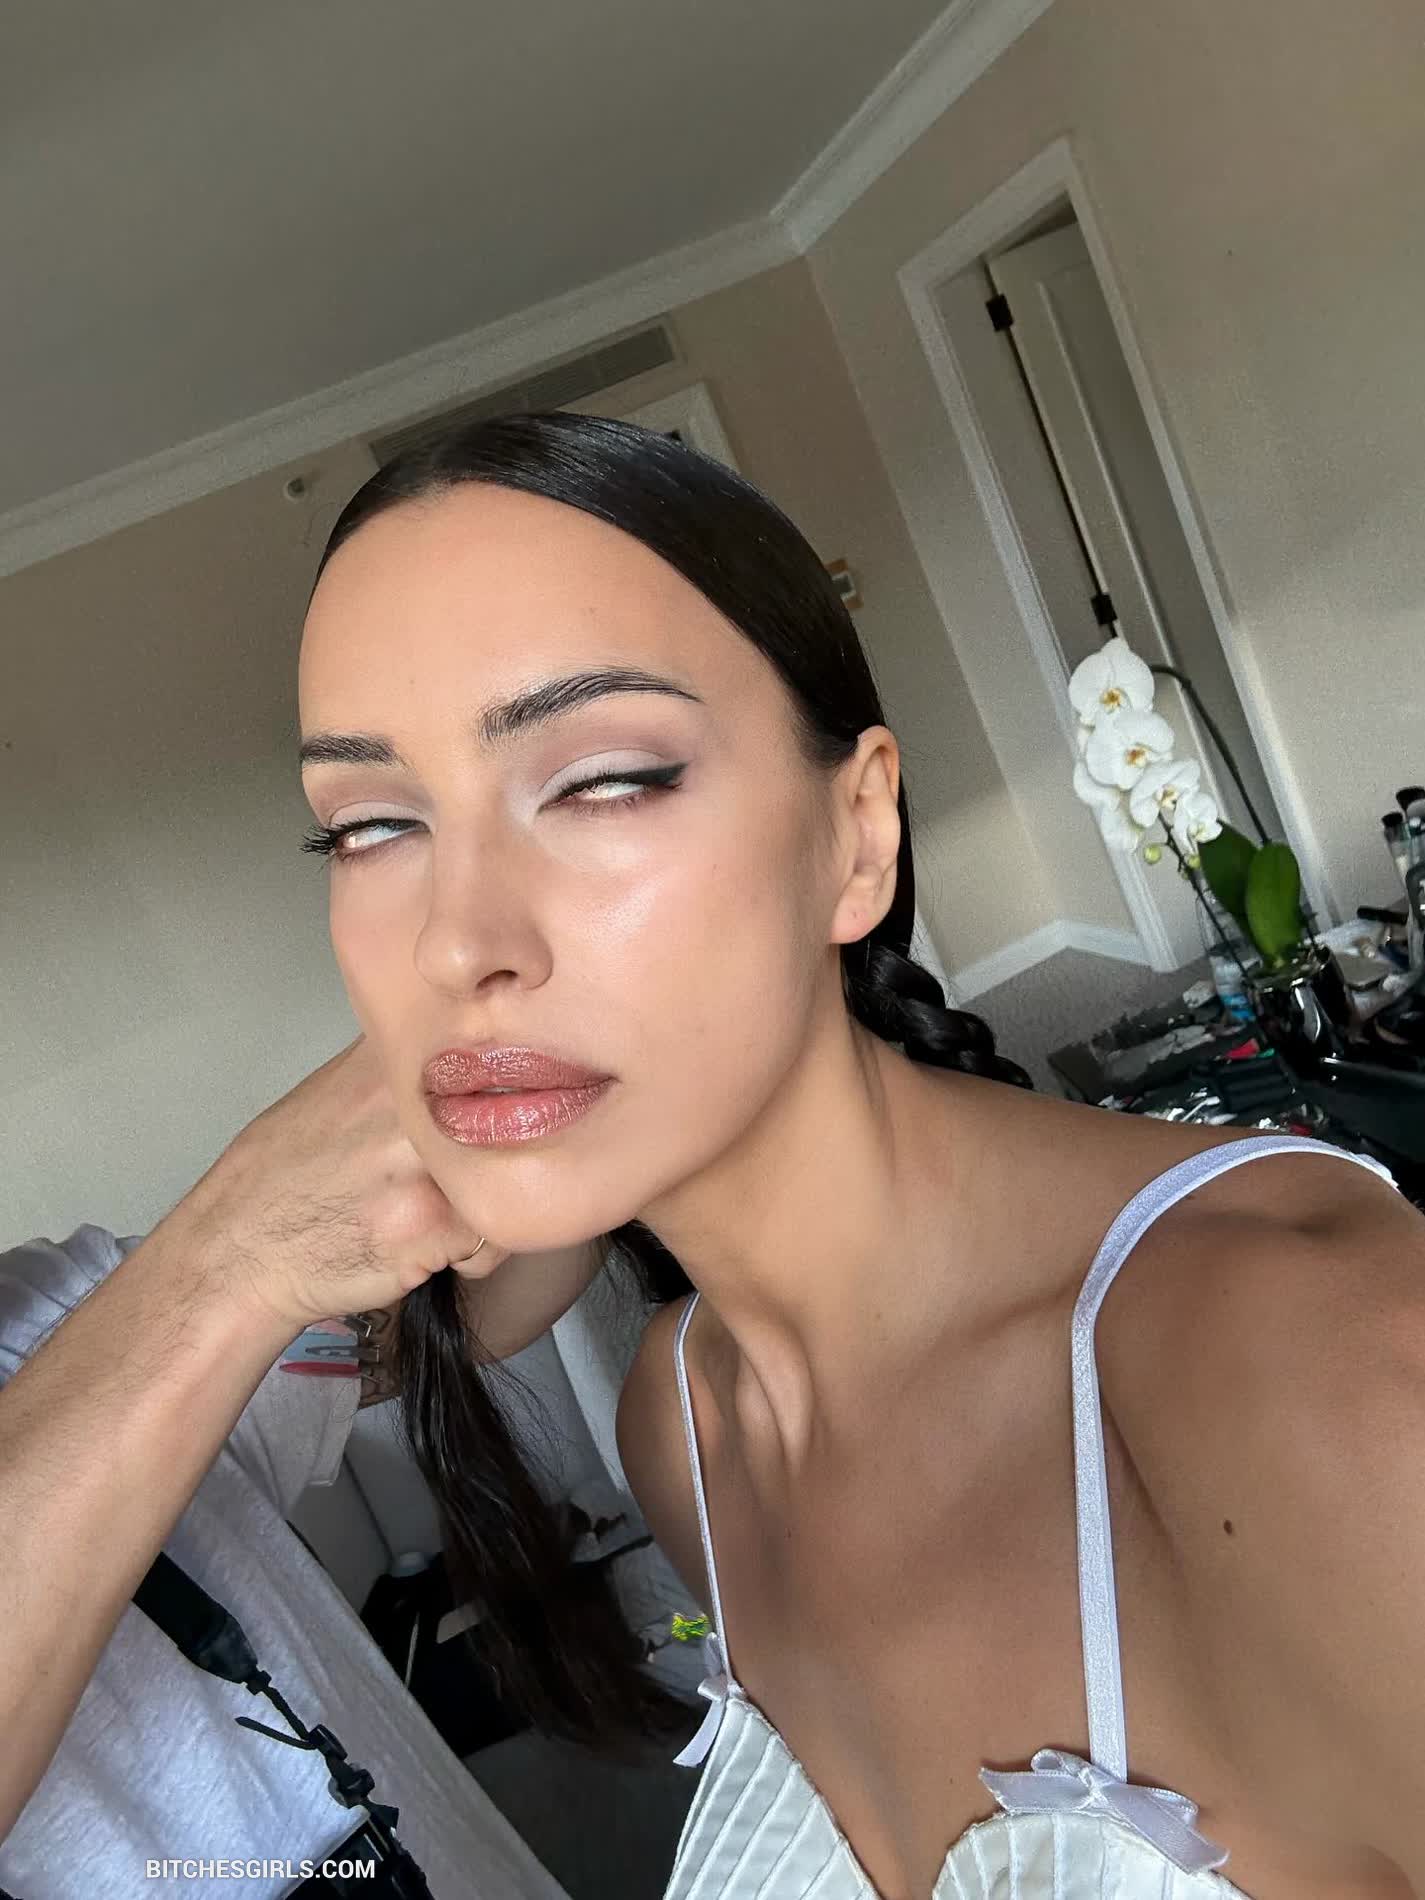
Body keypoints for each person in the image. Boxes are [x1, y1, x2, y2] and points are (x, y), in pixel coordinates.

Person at [284, 410, 1425, 1900]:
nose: (456, 943)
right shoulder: (687, 1423)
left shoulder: (1314, 1367)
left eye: (604, 779)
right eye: (369, 825)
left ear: (859, 833)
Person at [0, 1057, 630, 1899]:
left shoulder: (53, 1312)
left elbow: (448, 1326)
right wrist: (229, 1259)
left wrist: (603, 1130)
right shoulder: (186, 1282)